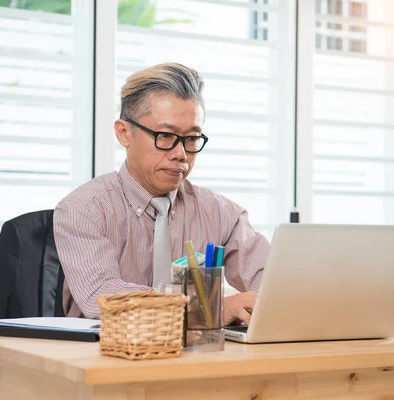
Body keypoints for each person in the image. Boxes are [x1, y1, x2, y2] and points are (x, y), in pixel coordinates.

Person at [54, 63, 270, 325]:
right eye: (166, 136)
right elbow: (101, 297)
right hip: (104, 356)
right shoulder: (84, 209)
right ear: (124, 133)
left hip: (200, 358)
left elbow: (274, 284)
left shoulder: (223, 214)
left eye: (192, 139)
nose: (181, 154)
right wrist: (208, 308)